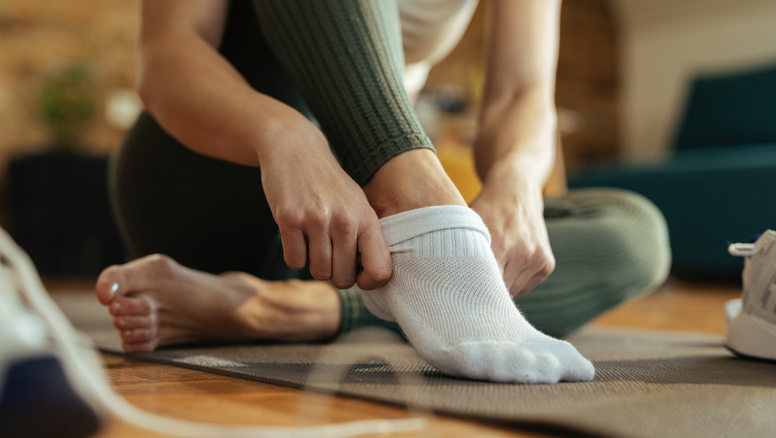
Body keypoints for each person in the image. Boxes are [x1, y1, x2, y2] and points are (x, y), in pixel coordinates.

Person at [95, 0, 670, 383]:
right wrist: (287, 137)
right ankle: (427, 218)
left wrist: (517, 181)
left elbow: (521, 91)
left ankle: (285, 310)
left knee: (635, 230)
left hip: (361, 238)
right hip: (220, 174)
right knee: (434, 231)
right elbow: (168, 53)